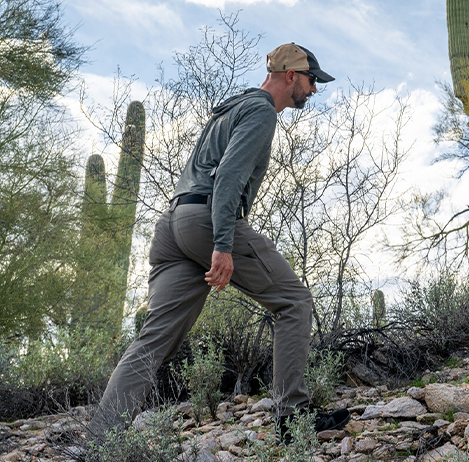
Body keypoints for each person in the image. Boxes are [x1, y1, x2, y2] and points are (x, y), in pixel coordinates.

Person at [89, 43, 349, 442]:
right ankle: (292, 419)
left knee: (153, 341)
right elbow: (228, 175)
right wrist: (223, 243)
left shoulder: (232, 107)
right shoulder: (261, 110)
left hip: (172, 224)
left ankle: (98, 441)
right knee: (294, 302)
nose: (314, 90)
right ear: (291, 75)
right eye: (312, 81)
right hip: (207, 222)